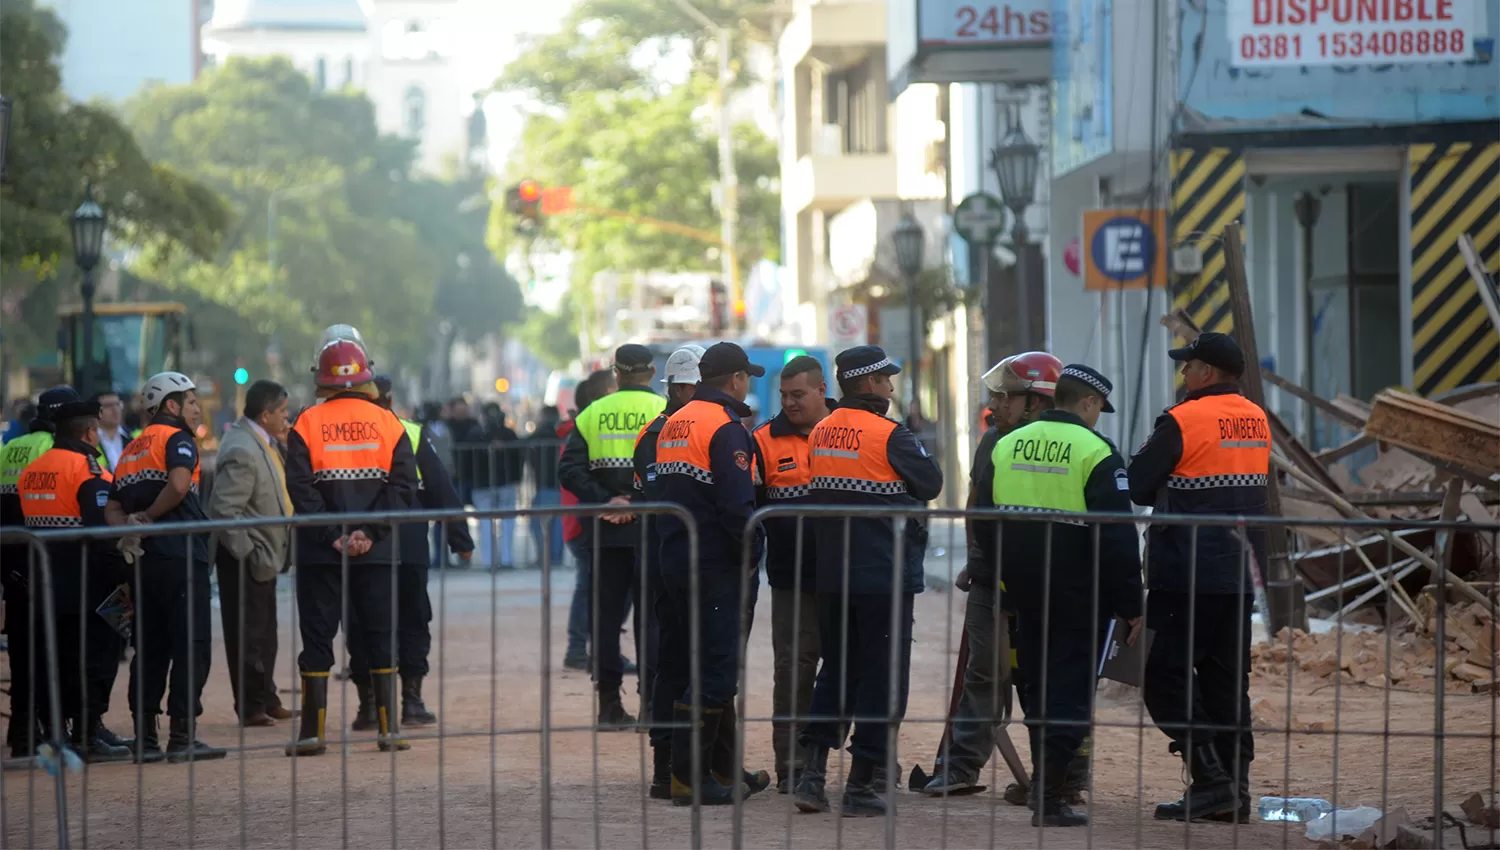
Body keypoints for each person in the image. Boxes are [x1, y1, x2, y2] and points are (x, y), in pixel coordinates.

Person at [980, 364, 1143, 827]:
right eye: (1098, 409)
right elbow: (1117, 538)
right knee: (1069, 694)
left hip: (1025, 593)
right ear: (1088, 403)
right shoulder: (1097, 451)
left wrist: (1000, 584)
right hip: (1078, 594)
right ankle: (1050, 797)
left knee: (1036, 687)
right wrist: (1131, 605)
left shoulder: (1007, 444)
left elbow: (989, 523)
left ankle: (1041, 787)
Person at [795, 345, 943, 818]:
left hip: (834, 574)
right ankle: (860, 786)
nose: (891, 387)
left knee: (836, 670)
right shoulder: (888, 434)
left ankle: (811, 776)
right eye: (885, 379)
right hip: (883, 573)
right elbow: (931, 482)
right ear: (867, 385)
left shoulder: (820, 432)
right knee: (882, 677)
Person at [1129, 331, 1270, 823]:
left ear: (1206, 372)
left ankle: (1211, 782)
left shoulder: (1183, 418)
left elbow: (1142, 484)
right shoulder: (1256, 416)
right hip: (1240, 568)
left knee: (1163, 677)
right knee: (1226, 682)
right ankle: (1237, 792)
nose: (1183, 374)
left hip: (1184, 571)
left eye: (1188, 366)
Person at [922, 352, 1064, 799]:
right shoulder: (992, 441)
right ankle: (962, 766)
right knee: (984, 673)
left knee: (1042, 678)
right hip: (992, 578)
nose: (995, 405)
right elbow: (976, 501)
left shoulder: (1064, 444)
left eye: (1005, 397)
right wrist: (978, 559)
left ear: (1036, 402)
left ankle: (1057, 779)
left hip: (1046, 581)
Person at [283, 338, 418, 756]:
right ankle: (388, 730)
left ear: (322, 378)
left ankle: (312, 734)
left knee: (318, 637)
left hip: (321, 552)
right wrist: (370, 534)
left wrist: (334, 536)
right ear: (365, 376)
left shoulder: (305, 423)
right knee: (379, 634)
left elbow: (301, 490)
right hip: (376, 552)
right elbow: (403, 488)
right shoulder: (389, 423)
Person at [653, 342, 770, 806]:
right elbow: (737, 506)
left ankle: (717, 769)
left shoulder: (675, 423)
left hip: (676, 556)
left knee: (691, 664)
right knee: (717, 668)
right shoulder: (724, 428)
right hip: (716, 563)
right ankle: (691, 779)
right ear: (736, 380)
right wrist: (754, 549)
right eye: (747, 377)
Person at [345, 375, 474, 730]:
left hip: (363, 547)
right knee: (412, 620)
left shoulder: (345, 432)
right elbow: (441, 488)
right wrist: (460, 539)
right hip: (405, 547)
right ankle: (409, 702)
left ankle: (370, 705)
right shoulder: (409, 432)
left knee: (363, 623)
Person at [108, 371, 225, 762]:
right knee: (191, 644)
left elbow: (112, 505)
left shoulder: (130, 449)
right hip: (179, 555)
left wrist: (130, 529)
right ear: (171, 406)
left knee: (151, 647)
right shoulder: (177, 438)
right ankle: (181, 736)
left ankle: (145, 739)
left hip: (142, 562)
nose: (196, 409)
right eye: (191, 401)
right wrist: (151, 519)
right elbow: (178, 486)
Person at [12, 389, 132, 762]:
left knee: (55, 656)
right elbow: (101, 536)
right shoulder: (87, 470)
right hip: (89, 584)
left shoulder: (33, 471)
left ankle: (57, 732)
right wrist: (122, 579)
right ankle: (87, 731)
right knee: (98, 654)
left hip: (47, 582)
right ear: (88, 433)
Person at [558, 344, 665, 727]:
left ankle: (608, 706)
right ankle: (652, 705)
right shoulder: (666, 413)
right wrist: (638, 501)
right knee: (651, 620)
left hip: (604, 532)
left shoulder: (591, 414)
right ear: (651, 372)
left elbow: (569, 471)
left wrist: (608, 500)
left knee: (605, 620)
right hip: (652, 532)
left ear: (616, 373)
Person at [751, 355, 833, 793]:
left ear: (822, 390)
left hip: (848, 574)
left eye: (798, 395)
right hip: (792, 576)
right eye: (784, 396)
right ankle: (792, 764)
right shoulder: (763, 440)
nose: (789, 403)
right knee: (794, 669)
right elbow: (751, 506)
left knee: (852, 666)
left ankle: (871, 762)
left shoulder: (848, 430)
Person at [630, 343, 704, 800]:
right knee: (687, 660)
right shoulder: (681, 433)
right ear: (682, 388)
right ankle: (678, 763)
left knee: (677, 661)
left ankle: (675, 764)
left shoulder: (654, 434)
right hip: (681, 559)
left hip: (663, 555)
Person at [208, 380, 295, 728]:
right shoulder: (243, 447)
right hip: (247, 559)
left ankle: (266, 696)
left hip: (265, 556)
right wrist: (251, 552)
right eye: (283, 414)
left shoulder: (262, 440)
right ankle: (251, 705)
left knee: (265, 634)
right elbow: (224, 511)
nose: (288, 419)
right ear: (266, 414)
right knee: (248, 636)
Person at [561, 370, 615, 669]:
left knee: (594, 586)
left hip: (583, 518)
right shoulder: (582, 429)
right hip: (585, 519)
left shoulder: (577, 428)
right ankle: (579, 646)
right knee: (590, 586)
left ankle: (590, 646)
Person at [524, 405, 566, 567]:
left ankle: (545, 556)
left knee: (536, 522)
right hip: (559, 484)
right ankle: (556, 557)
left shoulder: (540, 435)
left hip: (544, 483)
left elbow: (527, 447)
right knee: (557, 523)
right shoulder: (562, 434)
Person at [95, 391, 127, 470]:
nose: (115, 410)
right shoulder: (90, 440)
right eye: (108, 406)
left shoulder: (132, 437)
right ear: (97, 411)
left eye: (118, 404)